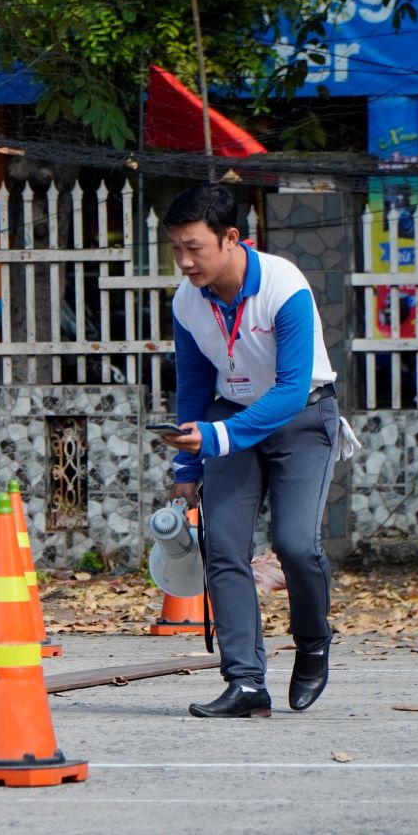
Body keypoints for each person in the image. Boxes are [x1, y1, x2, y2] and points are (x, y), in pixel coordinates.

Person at [156, 182, 341, 718]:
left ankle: (312, 642)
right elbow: (193, 388)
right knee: (223, 544)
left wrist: (215, 438)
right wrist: (186, 466)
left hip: (302, 416)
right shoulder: (187, 302)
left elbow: (289, 388)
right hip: (231, 416)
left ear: (231, 238)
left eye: (195, 248)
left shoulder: (284, 286)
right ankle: (245, 682)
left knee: (296, 544)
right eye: (176, 249)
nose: (185, 262)